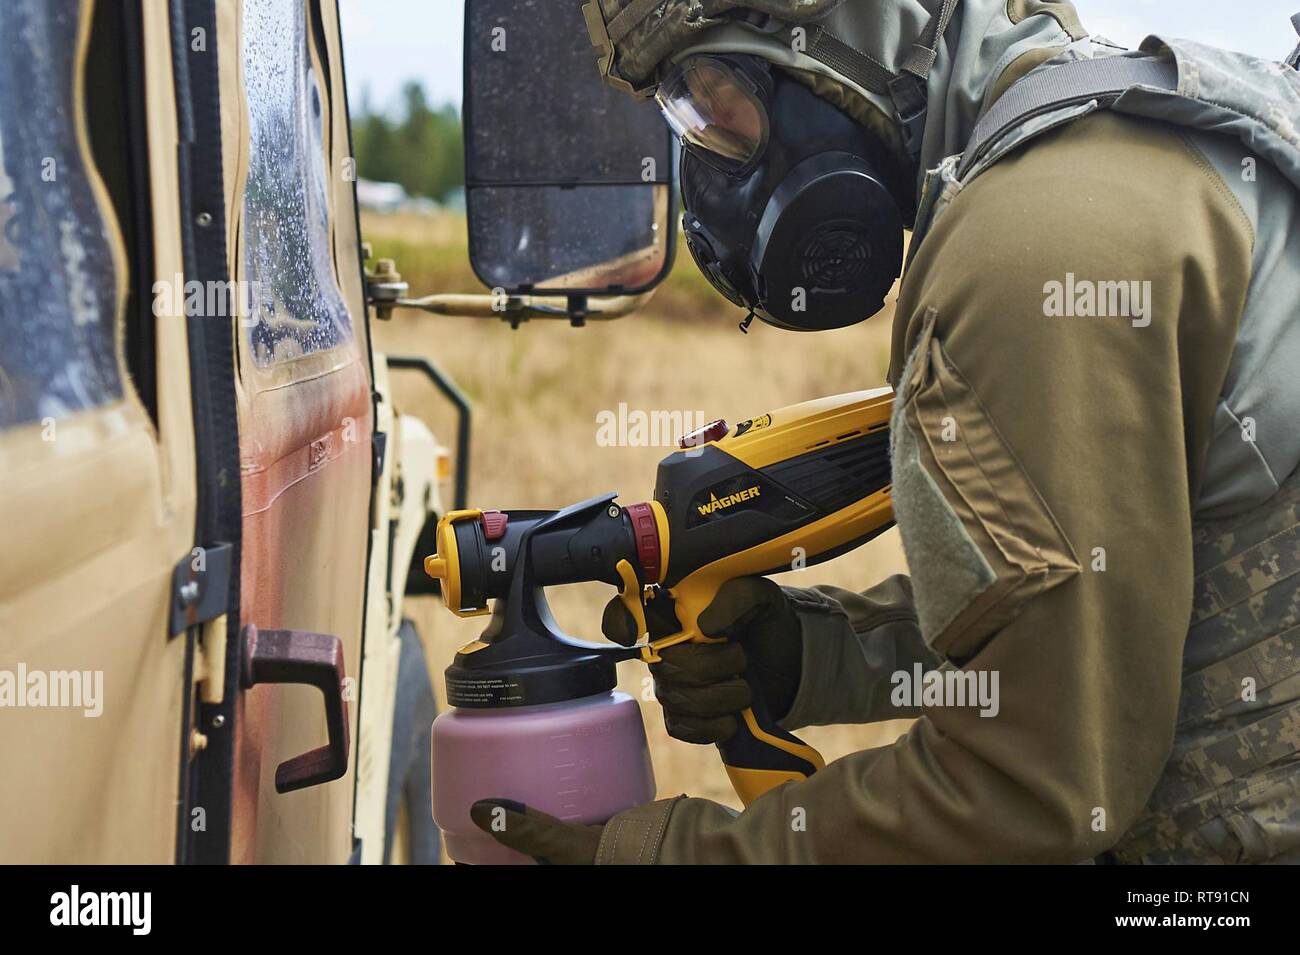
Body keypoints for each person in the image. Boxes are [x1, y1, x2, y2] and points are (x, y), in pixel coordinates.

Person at [471, 0, 1300, 863]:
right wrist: (818, 655)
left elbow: (1031, 785)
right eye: (687, 119)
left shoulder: (1035, 244)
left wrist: (663, 853)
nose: (710, 173)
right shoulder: (1149, 143)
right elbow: (1115, 600)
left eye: (718, 101)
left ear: (850, 42)